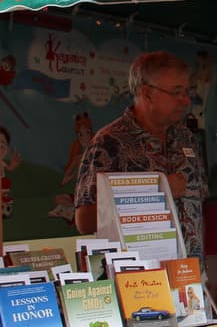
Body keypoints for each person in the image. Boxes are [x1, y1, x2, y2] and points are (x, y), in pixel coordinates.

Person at [75, 51, 208, 258]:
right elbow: (85, 221)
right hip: (140, 274)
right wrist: (158, 192)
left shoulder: (187, 139)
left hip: (190, 272)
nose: (186, 101)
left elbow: (199, 209)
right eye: (177, 92)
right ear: (147, 93)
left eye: (187, 92)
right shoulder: (109, 142)